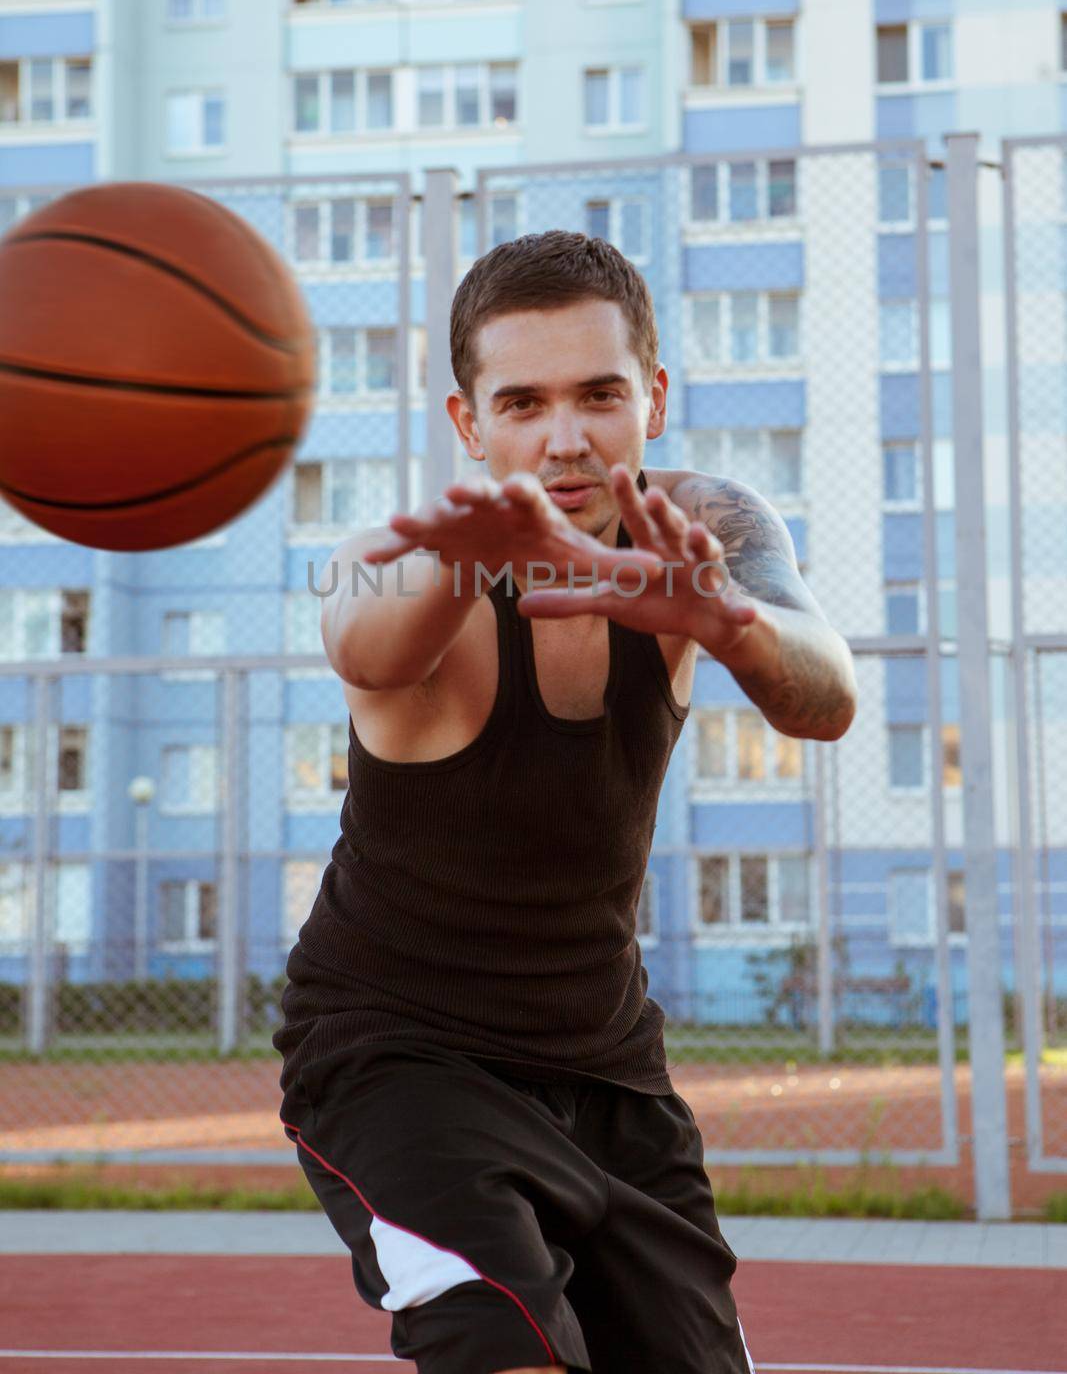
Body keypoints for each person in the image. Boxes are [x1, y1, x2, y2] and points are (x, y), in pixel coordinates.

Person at [273, 231, 857, 1374]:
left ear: (654, 397)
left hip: (606, 1062)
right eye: (523, 402)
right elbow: (364, 642)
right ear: (467, 424)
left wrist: (725, 623)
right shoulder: (397, 555)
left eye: (599, 394)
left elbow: (825, 698)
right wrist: (464, 560)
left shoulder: (701, 535)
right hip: (397, 1054)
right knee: (507, 1343)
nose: (564, 438)